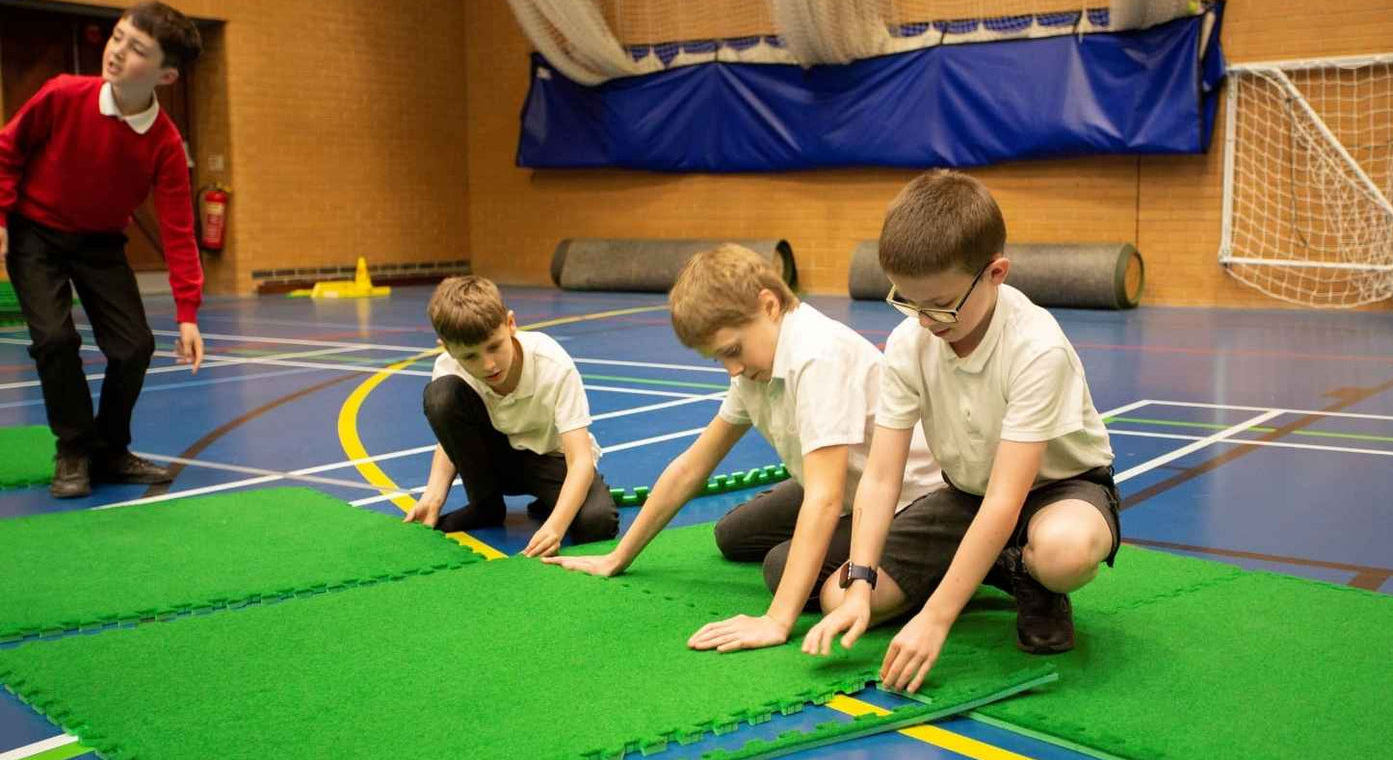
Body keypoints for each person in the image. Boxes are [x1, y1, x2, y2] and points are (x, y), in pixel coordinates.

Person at [804, 170, 1120, 693]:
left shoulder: (1036, 348)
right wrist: (860, 581)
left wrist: (936, 619)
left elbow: (1006, 500)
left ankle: (1028, 572)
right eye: (908, 301)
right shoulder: (910, 342)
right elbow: (882, 478)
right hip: (968, 495)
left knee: (1064, 552)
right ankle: (988, 566)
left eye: (941, 304)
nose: (926, 320)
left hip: (1058, 492)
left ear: (996, 273)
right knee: (838, 597)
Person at [545, 243, 943, 653]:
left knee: (782, 569)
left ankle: (932, 573)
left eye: (733, 350)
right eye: (719, 359)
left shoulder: (817, 356)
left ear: (769, 306)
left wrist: (776, 619)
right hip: (845, 486)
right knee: (734, 534)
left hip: (906, 499)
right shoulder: (755, 369)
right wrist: (618, 557)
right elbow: (693, 466)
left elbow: (823, 500)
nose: (732, 369)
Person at [0, 1, 206, 498]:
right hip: (37, 235)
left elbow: (179, 229)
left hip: (98, 245)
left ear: (167, 76)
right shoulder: (62, 95)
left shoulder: (164, 142)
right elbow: (7, 152)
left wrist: (187, 314)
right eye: (117, 37)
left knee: (134, 346)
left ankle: (110, 451)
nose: (117, 52)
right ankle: (73, 448)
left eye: (137, 49)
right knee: (54, 340)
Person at [405, 276, 618, 556]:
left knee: (597, 523)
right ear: (447, 347)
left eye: (494, 346)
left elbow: (579, 460)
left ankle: (549, 501)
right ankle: (485, 506)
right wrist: (433, 496)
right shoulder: (448, 367)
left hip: (551, 462)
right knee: (440, 396)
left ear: (511, 323)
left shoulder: (552, 364)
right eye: (470, 357)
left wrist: (555, 526)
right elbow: (452, 437)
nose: (488, 364)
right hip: (496, 461)